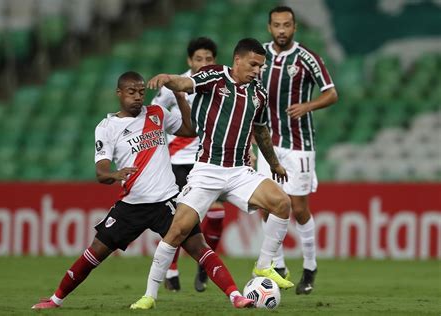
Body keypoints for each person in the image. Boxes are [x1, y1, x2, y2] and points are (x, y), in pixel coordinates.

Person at [31, 71, 254, 310]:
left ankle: (236, 296)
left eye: (141, 92)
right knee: (95, 252)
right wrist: (115, 174)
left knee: (199, 247)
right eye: (131, 92)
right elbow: (101, 172)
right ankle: (55, 300)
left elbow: (189, 131)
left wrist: (180, 98)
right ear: (119, 93)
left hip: (166, 202)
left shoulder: (156, 113)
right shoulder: (107, 127)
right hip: (131, 204)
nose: (138, 97)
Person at [131, 38, 295, 310]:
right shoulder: (216, 75)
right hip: (207, 169)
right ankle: (150, 294)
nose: (257, 70)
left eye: (261, 66)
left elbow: (262, 131)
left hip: (240, 171)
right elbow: (185, 84)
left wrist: (274, 163)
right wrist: (167, 79)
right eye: (253, 64)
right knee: (177, 231)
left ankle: (264, 266)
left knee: (282, 203)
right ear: (238, 60)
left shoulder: (259, 94)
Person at [257, 6, 338, 295]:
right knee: (265, 205)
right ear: (269, 28)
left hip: (299, 144)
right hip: (268, 143)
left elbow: (331, 92)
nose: (282, 30)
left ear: (294, 28)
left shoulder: (307, 58)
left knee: (298, 207)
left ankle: (310, 265)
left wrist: (308, 106)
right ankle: (278, 265)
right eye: (277, 25)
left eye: (287, 25)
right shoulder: (259, 56)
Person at [151, 37, 225, 293]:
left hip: (210, 159)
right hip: (179, 161)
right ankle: (171, 270)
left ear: (214, 61)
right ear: (189, 61)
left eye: (208, 59)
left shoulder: (221, 84)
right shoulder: (176, 84)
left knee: (217, 214)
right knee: (178, 220)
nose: (204, 63)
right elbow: (155, 111)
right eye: (198, 59)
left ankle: (204, 267)